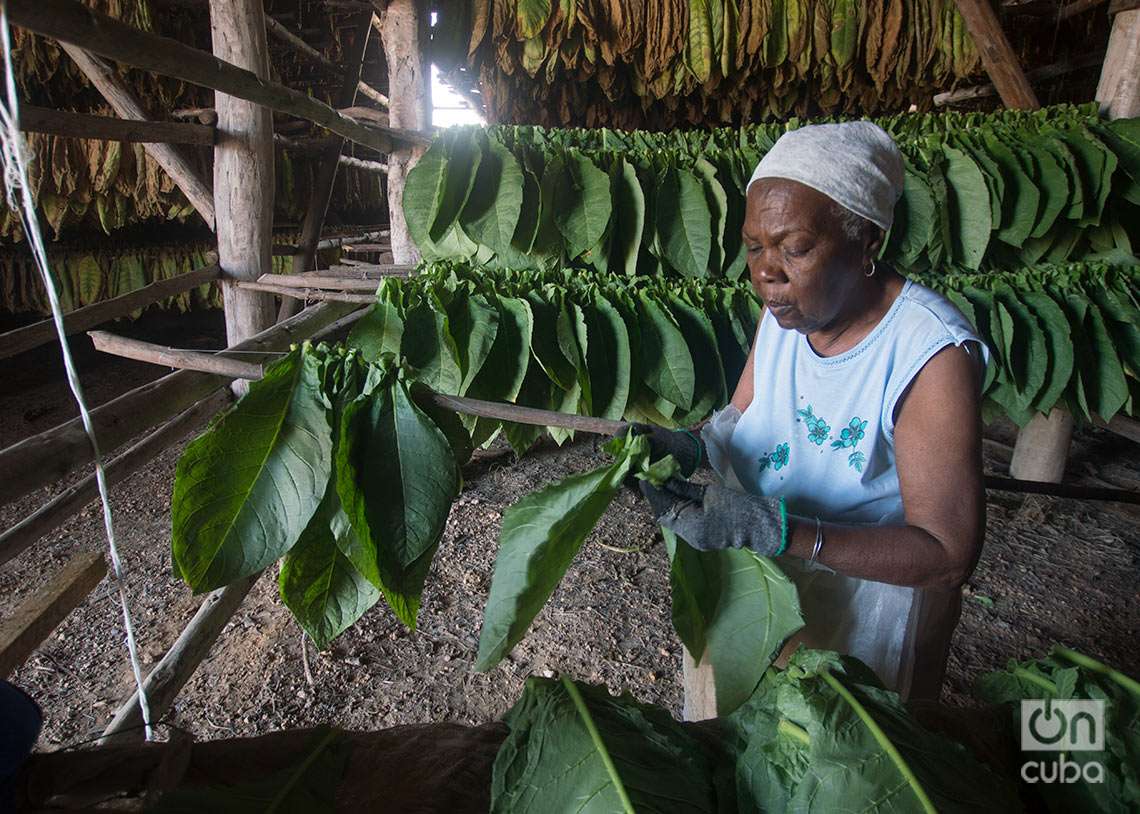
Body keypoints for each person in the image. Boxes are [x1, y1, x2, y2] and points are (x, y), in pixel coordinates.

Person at [636, 121, 989, 701]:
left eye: (795, 248)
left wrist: (784, 532)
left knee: (834, 754)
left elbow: (945, 556)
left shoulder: (928, 354)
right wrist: (693, 445)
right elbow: (744, 417)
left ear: (867, 241)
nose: (767, 272)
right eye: (754, 247)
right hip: (765, 581)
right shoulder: (791, 310)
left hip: (869, 603)